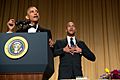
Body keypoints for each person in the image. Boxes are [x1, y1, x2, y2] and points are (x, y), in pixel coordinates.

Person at [7, 6, 54, 79]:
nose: (35, 13)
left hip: (41, 71)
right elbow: (13, 47)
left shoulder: (46, 32)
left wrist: (51, 46)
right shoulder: (20, 32)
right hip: (22, 70)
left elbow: (49, 51)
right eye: (32, 11)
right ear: (27, 17)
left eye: (37, 11)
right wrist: (10, 31)